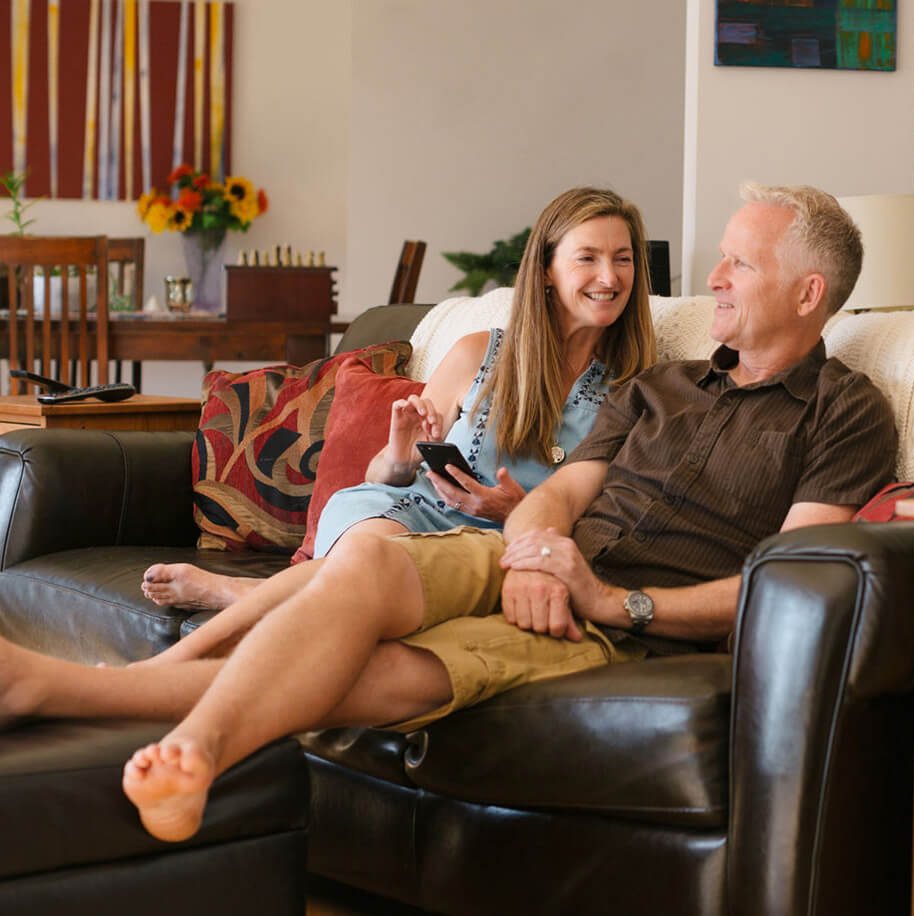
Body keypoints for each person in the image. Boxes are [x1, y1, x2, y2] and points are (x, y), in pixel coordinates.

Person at [0, 183, 897, 844]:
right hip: (521, 559)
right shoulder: (663, 385)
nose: (713, 277)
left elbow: (792, 578)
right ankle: (168, 735)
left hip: (622, 623)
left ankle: (88, 703)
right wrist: (540, 550)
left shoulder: (846, 413)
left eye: (738, 262)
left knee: (388, 673)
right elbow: (564, 491)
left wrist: (611, 602)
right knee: (367, 562)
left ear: (808, 292)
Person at [139, 185, 657, 617]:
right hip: (407, 510)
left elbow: (608, 517)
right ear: (546, 269)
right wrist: (400, 454)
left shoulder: (637, 390)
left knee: (378, 574)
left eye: (623, 260)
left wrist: (517, 510)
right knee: (373, 551)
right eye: (587, 258)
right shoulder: (479, 352)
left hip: (494, 546)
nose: (609, 278)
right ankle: (241, 604)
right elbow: (386, 474)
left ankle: (240, 598)